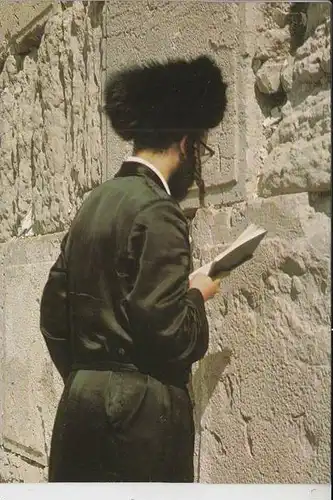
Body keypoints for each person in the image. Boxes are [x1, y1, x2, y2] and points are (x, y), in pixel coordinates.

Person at [40, 55, 228, 482]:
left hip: (79, 408)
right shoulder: (159, 210)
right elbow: (171, 336)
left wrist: (90, 377)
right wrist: (198, 293)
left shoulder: (94, 203)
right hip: (140, 424)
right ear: (185, 144)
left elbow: (53, 315)